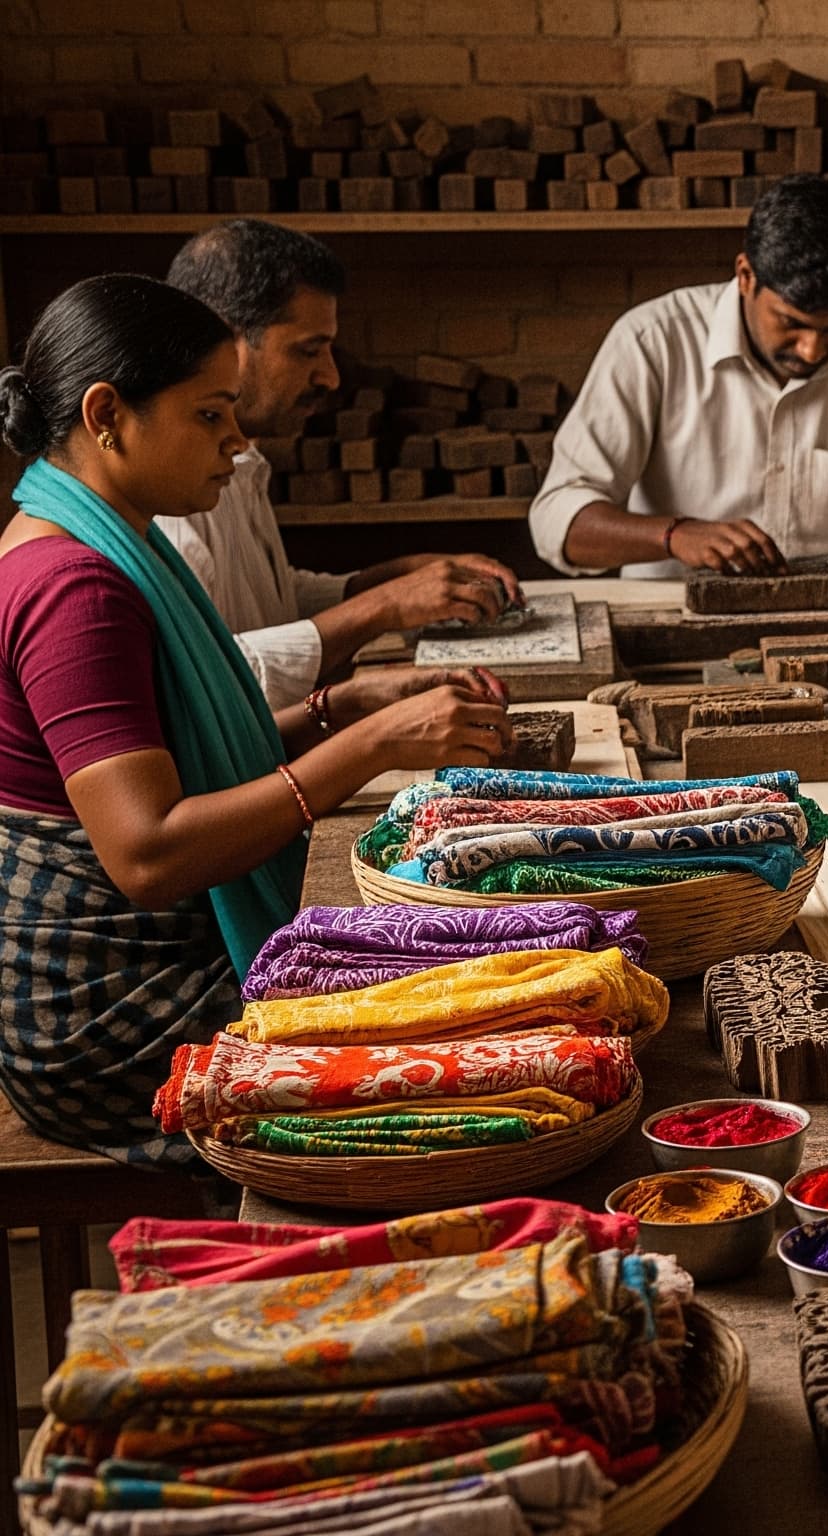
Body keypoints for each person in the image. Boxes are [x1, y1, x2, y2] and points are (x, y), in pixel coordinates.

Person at [0, 275, 507, 1167]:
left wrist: (340, 706)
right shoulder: (73, 587)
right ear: (107, 415)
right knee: (484, 1020)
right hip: (110, 1011)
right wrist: (372, 746)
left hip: (134, 967)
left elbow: (177, 759)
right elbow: (150, 853)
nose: (237, 441)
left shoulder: (90, 539)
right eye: (209, 415)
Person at [156, 220, 526, 709]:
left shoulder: (241, 459)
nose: (330, 377)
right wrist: (384, 605)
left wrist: (396, 578)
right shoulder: (169, 496)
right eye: (308, 351)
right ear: (222, 341)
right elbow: (208, 686)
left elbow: (272, 600)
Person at [530, 174, 828, 584]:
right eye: (791, 323)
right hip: (670, 613)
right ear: (746, 276)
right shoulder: (652, 340)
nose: (812, 350)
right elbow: (556, 518)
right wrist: (675, 535)